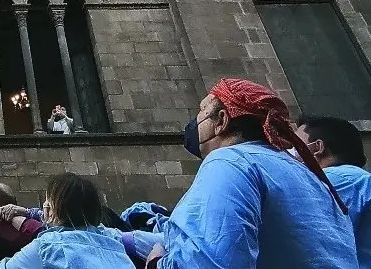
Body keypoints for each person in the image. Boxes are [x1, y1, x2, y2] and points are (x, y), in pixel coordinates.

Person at [146, 78, 358, 268]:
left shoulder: (230, 162)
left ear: (221, 121)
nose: (195, 121)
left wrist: (156, 261)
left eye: (201, 110)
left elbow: (209, 263)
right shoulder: (310, 177)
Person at [0, 173, 134, 269]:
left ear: (52, 210)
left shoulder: (49, 245)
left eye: (47, 200)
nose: (44, 206)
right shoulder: (113, 241)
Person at [295, 115, 371, 268]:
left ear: (317, 148)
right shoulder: (357, 179)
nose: (287, 151)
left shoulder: (338, 179)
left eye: (295, 144)